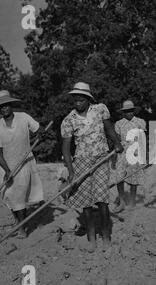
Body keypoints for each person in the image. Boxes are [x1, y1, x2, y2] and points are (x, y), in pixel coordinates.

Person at [61, 82, 123, 252]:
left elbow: (109, 130)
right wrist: (71, 172)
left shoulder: (100, 110)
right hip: (81, 162)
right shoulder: (69, 120)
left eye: (82, 99)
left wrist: (117, 143)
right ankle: (91, 238)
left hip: (101, 158)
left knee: (102, 199)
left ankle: (106, 237)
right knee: (86, 202)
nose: (78, 101)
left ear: (88, 99)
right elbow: (66, 150)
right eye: (76, 99)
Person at [0, 90, 44, 238]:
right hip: (6, 165)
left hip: (24, 163)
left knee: (19, 196)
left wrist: (41, 132)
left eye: (6, 105)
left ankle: (22, 228)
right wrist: (7, 171)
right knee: (8, 195)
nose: (4, 109)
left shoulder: (24, 117)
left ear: (11, 105)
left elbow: (39, 129)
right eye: (1, 107)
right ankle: (17, 221)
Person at [112, 100, 146, 212]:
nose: (129, 113)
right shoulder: (119, 124)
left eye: (131, 111)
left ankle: (132, 202)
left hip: (135, 152)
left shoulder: (140, 122)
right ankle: (122, 201)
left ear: (134, 111)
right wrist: (113, 159)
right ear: (123, 112)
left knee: (133, 178)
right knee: (119, 177)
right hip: (122, 152)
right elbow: (116, 141)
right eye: (126, 111)